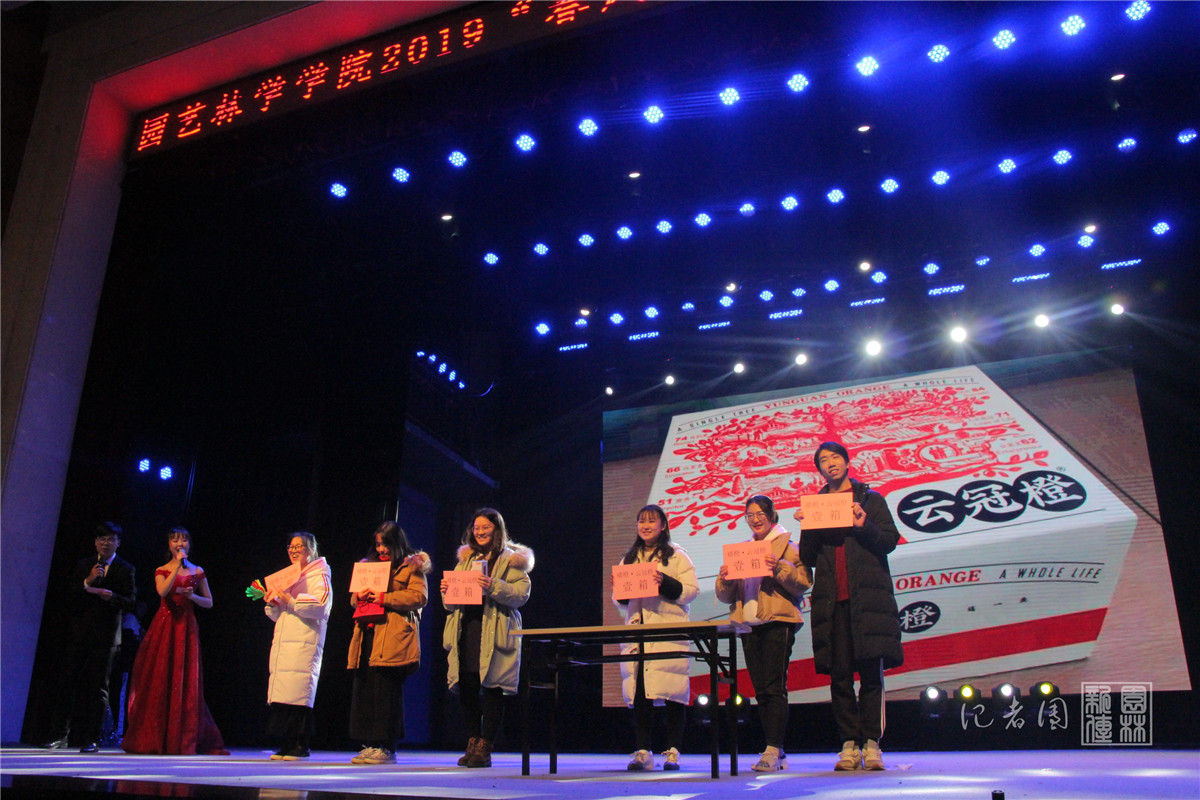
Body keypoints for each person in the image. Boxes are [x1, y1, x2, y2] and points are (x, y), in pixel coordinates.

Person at [794, 441, 903, 771]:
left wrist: (863, 525)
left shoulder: (870, 499)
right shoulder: (817, 506)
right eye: (823, 460)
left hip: (867, 599)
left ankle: (872, 743)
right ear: (819, 470)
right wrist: (807, 527)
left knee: (871, 674)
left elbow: (889, 541)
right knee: (839, 676)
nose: (830, 463)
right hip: (833, 602)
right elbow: (809, 558)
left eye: (835, 457)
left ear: (846, 461)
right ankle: (849, 744)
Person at [715, 495, 810, 772]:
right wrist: (725, 579)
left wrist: (778, 567)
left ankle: (772, 748)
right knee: (761, 690)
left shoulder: (789, 546)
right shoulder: (743, 550)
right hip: (748, 624)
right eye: (750, 515)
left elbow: (804, 582)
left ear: (772, 515)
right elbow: (725, 596)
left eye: (760, 514)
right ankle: (777, 750)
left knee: (773, 687)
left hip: (777, 621)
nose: (755, 519)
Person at [121, 527, 228, 755]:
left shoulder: (198, 571)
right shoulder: (162, 569)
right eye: (175, 540)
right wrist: (177, 567)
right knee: (160, 675)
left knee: (184, 677)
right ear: (169, 545)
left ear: (189, 544)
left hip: (186, 627)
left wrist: (193, 596)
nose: (180, 543)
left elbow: (209, 602)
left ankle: (182, 737)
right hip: (164, 627)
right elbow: (162, 592)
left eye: (184, 540)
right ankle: (156, 736)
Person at [440, 508, 533, 768]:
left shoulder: (511, 559)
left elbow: (521, 594)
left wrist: (492, 586)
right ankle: (472, 740)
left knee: (493, 687)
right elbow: (450, 605)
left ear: (497, 530)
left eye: (486, 528)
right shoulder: (465, 560)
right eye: (476, 528)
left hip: (495, 629)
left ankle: (486, 745)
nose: (480, 532)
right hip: (467, 628)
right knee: (467, 686)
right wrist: (446, 591)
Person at [612, 504, 698, 771]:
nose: (646, 526)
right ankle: (643, 751)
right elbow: (620, 600)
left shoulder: (677, 555)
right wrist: (620, 591)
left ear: (663, 525)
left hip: (667, 632)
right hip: (638, 634)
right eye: (641, 521)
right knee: (640, 694)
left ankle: (673, 751)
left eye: (652, 521)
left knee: (673, 692)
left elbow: (691, 591)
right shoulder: (629, 558)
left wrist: (664, 582)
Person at [42, 521, 137, 753]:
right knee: (67, 684)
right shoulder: (84, 565)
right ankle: (59, 735)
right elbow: (69, 596)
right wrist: (88, 581)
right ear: (95, 542)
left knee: (98, 689)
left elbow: (131, 601)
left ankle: (92, 739)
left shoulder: (125, 569)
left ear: (118, 543)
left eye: (111, 539)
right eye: (102, 539)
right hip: (80, 633)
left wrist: (111, 596)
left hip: (106, 637)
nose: (106, 543)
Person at [347, 521, 430, 765]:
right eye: (378, 544)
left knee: (387, 692)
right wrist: (359, 596)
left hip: (393, 635)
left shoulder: (411, 566)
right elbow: (353, 600)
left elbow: (419, 596)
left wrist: (385, 597)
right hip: (368, 634)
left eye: (386, 544)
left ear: (397, 544)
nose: (381, 549)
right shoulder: (369, 567)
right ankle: (371, 743)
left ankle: (386, 746)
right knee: (367, 690)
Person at [263, 532, 332, 760]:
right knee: (285, 693)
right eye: (290, 547)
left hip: (304, 640)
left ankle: (300, 745)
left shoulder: (319, 573)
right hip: (285, 640)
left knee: (300, 693)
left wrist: (290, 601)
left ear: (311, 549)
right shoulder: (288, 576)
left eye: (299, 547)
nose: (293, 551)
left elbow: (322, 605)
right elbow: (278, 614)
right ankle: (286, 743)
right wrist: (273, 603)